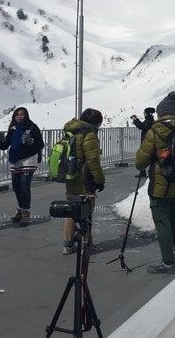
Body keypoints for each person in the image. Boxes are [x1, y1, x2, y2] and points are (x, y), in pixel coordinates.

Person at [135, 91, 175, 274]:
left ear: (161, 113)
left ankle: (168, 263)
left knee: (163, 223)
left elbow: (140, 161)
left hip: (161, 188)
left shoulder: (155, 132)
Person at [61, 108, 106, 255]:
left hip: (71, 177)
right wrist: (99, 180)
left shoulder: (71, 131)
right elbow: (93, 161)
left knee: (71, 210)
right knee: (86, 212)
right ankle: (87, 244)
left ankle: (67, 244)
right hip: (85, 180)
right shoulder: (89, 135)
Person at [0, 107, 44, 226]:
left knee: (24, 185)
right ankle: (20, 207)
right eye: (17, 115)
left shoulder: (32, 127)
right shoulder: (12, 129)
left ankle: (25, 211)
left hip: (29, 159)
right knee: (16, 186)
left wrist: (30, 141)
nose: (19, 117)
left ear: (26, 116)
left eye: (22, 114)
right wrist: (1, 140)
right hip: (16, 159)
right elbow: (5, 145)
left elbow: (40, 144)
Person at [131, 107, 155, 178]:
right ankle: (144, 172)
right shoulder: (150, 120)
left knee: (143, 156)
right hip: (147, 141)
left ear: (147, 114)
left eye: (144, 113)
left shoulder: (149, 121)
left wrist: (135, 120)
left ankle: (144, 172)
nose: (144, 114)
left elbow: (142, 126)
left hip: (146, 141)